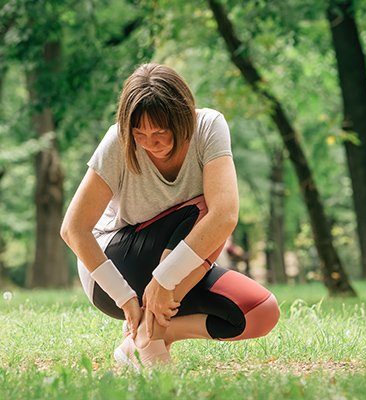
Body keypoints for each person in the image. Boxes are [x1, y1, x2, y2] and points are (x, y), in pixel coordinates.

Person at [60, 63, 280, 371]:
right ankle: (150, 337)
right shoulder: (117, 141)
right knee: (204, 207)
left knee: (259, 312)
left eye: (161, 132)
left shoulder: (208, 127)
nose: (152, 143)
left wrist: (165, 281)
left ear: (184, 117)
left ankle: (145, 338)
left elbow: (227, 216)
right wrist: (125, 297)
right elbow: (73, 229)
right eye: (141, 134)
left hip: (174, 270)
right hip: (113, 271)